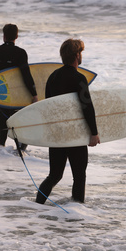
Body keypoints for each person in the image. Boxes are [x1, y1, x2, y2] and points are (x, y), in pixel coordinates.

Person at [36, 39, 100, 204]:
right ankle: (76, 213)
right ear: (77, 55)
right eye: (81, 53)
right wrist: (94, 133)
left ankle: (37, 206)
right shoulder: (79, 78)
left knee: (54, 175)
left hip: (57, 133)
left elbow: (48, 107)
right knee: (79, 176)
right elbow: (87, 107)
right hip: (74, 133)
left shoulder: (53, 77)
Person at [0, 24, 38, 148]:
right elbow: (26, 76)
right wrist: (34, 94)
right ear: (16, 36)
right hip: (17, 97)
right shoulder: (20, 53)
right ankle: (20, 159)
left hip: (1, 97)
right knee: (20, 135)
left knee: (2, 136)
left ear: (3, 36)